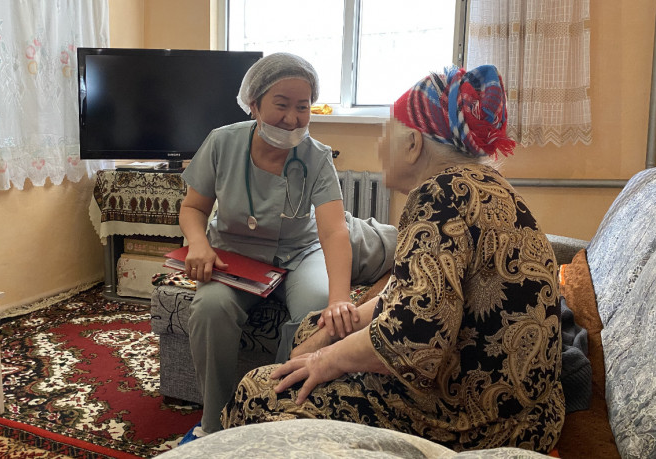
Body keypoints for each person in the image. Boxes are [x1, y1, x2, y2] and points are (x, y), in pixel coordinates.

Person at [221, 65, 566, 454]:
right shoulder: (488, 187)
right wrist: (341, 325)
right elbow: (418, 295)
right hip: (530, 411)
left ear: (413, 144)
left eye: (387, 134)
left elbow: (412, 342)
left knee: (258, 392)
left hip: (477, 419)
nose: (381, 146)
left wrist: (325, 360)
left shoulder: (440, 195)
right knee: (316, 327)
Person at [178, 52, 360, 440]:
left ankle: (275, 413)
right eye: (281, 104)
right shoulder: (222, 142)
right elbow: (193, 208)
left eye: (302, 107)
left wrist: (340, 298)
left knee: (317, 307)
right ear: (254, 103)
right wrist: (198, 243)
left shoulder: (317, 157)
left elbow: (333, 231)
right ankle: (215, 425)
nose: (292, 118)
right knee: (210, 309)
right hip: (234, 253)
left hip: (299, 251)